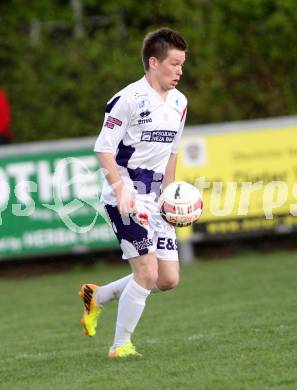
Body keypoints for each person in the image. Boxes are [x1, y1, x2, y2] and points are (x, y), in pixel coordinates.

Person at [79, 27, 188, 358]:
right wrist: (120, 190)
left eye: (183, 64)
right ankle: (120, 346)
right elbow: (103, 148)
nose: (180, 71)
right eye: (173, 63)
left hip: (156, 198)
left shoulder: (181, 103)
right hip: (124, 197)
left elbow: (171, 152)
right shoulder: (128, 99)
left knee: (167, 279)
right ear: (153, 62)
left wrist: (169, 193)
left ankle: (96, 298)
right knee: (146, 272)